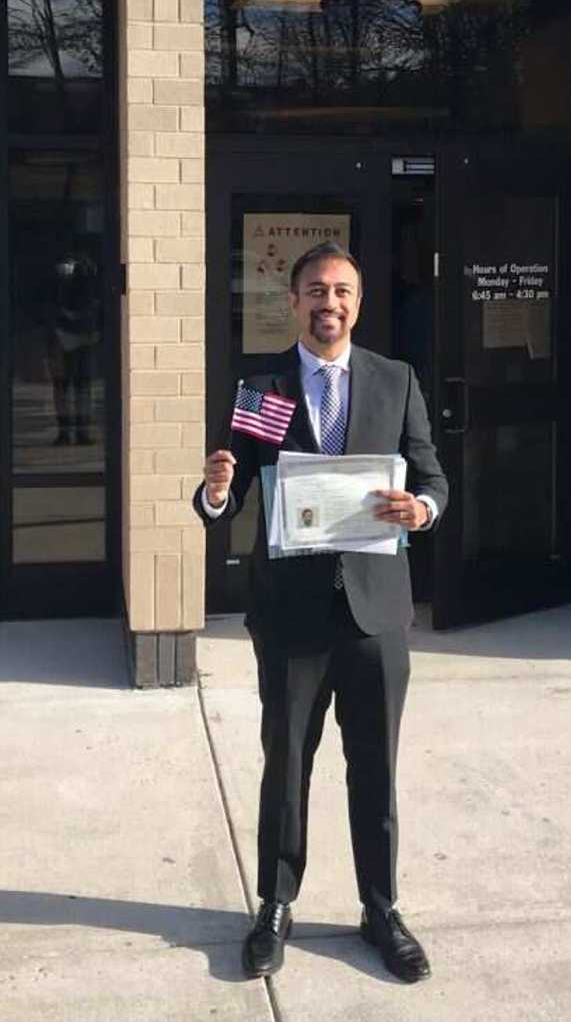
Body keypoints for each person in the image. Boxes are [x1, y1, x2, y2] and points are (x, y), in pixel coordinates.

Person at [193, 240, 448, 983]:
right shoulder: (263, 388)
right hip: (291, 615)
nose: (328, 302)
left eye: (341, 291)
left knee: (375, 767)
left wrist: (422, 508)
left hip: (375, 613)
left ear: (357, 304)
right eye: (315, 290)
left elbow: (432, 476)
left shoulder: (395, 380)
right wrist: (215, 490)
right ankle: (275, 905)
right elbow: (230, 492)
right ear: (294, 301)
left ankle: (381, 908)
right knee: (286, 766)